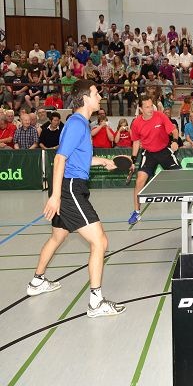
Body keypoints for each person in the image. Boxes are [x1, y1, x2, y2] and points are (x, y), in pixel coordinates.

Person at [30, 79, 125, 317]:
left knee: (57, 237)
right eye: (96, 93)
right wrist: (55, 196)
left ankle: (37, 282)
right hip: (70, 189)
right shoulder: (76, 124)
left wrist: (103, 161)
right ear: (84, 98)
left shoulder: (80, 123)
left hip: (70, 186)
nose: (100, 97)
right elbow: (59, 158)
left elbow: (78, 159)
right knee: (100, 241)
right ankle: (96, 303)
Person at [128, 95, 193, 225]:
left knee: (181, 178)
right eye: (147, 107)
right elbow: (136, 142)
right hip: (149, 153)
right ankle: (136, 212)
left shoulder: (160, 116)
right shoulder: (136, 123)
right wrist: (133, 160)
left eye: (151, 106)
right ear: (140, 109)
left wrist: (174, 141)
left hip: (164, 151)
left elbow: (174, 131)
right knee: (139, 181)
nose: (150, 109)